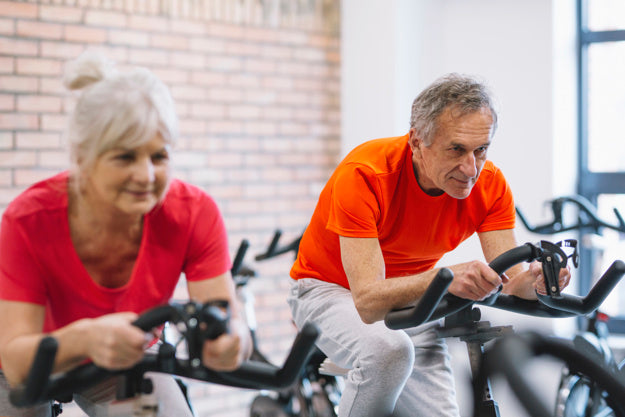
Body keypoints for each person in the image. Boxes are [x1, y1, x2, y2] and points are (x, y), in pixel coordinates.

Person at [287, 73, 571, 417]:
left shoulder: (490, 186)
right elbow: (368, 301)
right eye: (457, 149)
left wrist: (537, 281)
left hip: (415, 298)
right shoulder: (365, 174)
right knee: (388, 352)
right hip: (327, 290)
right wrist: (448, 277)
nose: (471, 168)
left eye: (481, 150)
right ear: (417, 141)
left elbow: (512, 280)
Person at [0, 52, 252, 417]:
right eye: (125, 157)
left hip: (122, 360)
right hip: (21, 365)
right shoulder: (29, 219)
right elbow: (19, 362)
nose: (146, 175)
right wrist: (85, 337)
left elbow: (226, 316)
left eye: (159, 156)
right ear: (83, 158)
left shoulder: (194, 212)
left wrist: (233, 343)